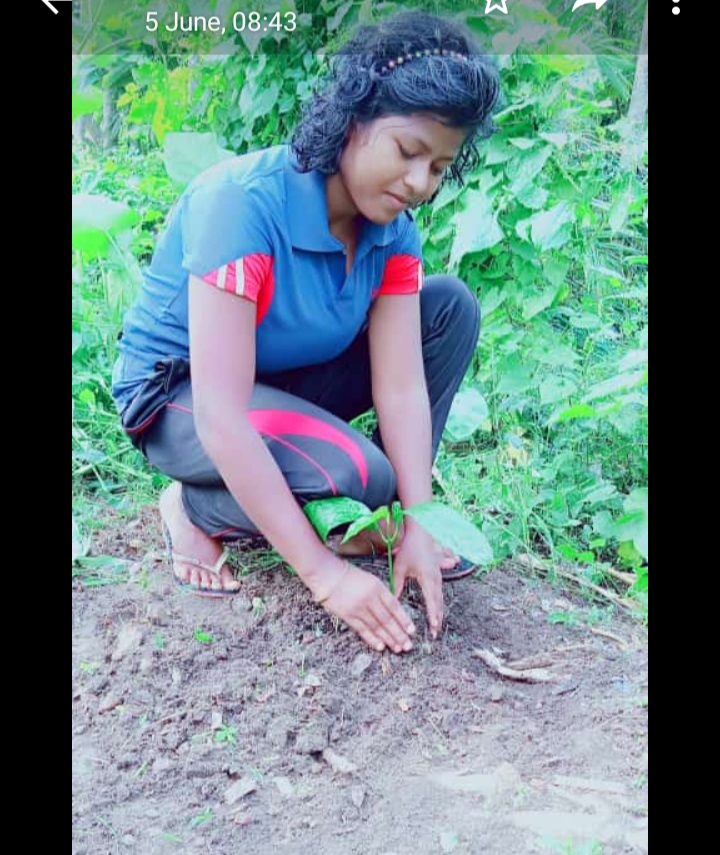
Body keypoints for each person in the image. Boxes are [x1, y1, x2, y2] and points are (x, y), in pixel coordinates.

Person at [111, 10, 500, 655]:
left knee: (448, 308)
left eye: (438, 167)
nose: (419, 183)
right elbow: (220, 413)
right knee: (359, 476)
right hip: (182, 399)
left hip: (281, 382)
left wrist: (418, 523)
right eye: (408, 152)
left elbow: (401, 387)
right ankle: (192, 506)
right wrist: (327, 577)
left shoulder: (394, 233)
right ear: (353, 121)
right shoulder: (242, 203)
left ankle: (380, 515)